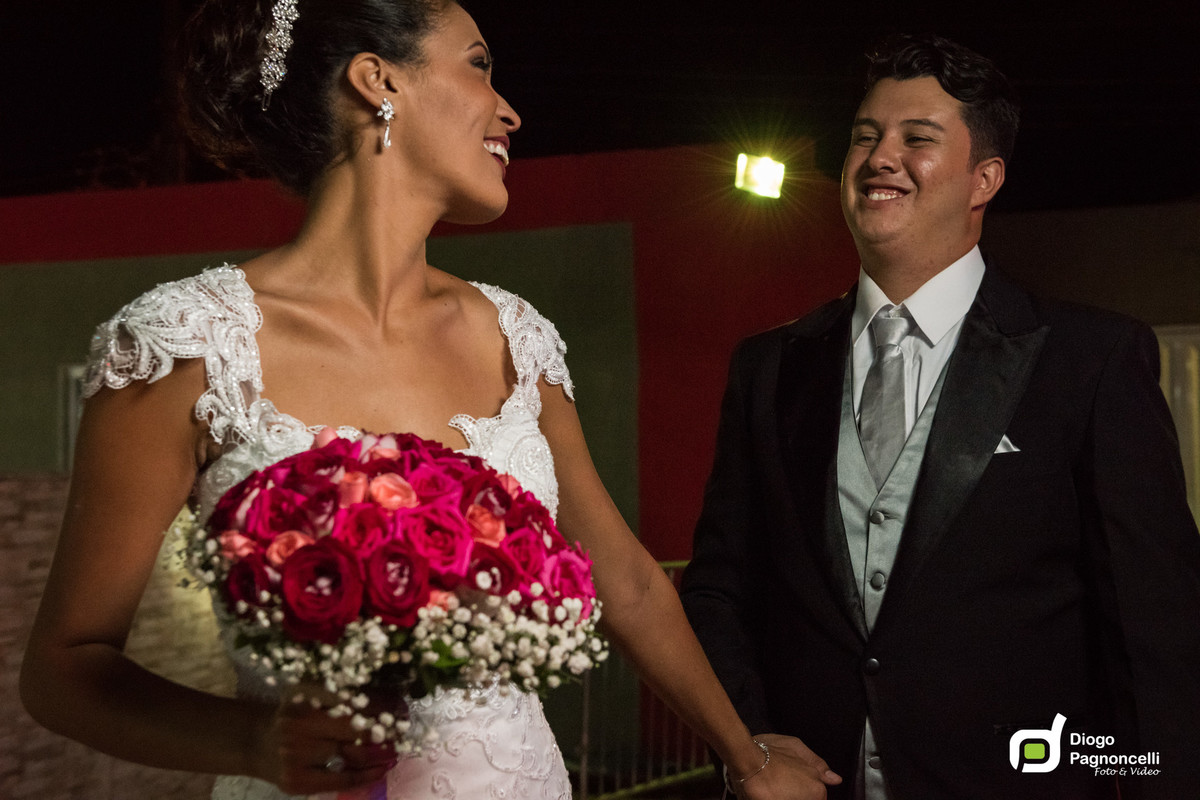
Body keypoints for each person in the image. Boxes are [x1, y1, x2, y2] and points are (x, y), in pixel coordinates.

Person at [19, 2, 844, 799]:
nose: (510, 111)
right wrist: (252, 741)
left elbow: (624, 581)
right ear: (379, 80)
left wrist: (747, 757)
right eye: (479, 65)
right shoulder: (188, 344)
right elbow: (64, 668)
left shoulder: (515, 337)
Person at [680, 32, 1200, 800]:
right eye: (866, 136)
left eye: (917, 139)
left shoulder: (1090, 361)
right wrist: (746, 743)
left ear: (984, 178)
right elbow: (720, 590)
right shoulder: (770, 366)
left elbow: (1155, 636)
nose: (880, 158)